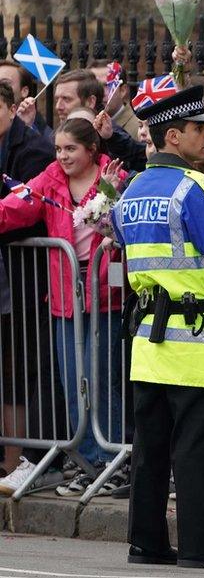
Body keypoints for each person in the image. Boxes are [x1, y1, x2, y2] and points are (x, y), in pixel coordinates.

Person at [113, 86, 204, 570]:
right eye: (200, 129)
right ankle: (200, 545)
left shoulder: (130, 191)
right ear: (175, 136)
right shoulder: (195, 189)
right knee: (195, 449)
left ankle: (146, 542)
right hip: (198, 338)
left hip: (148, 340)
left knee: (150, 448)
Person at [0, 117, 127, 496]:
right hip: (64, 297)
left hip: (106, 292)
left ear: (92, 150)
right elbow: (13, 208)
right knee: (75, 383)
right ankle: (87, 462)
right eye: (58, 149)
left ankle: (114, 462)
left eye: (71, 149)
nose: (63, 156)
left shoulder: (115, 175)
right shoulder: (49, 178)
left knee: (104, 380)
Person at [0, 80, 64, 496]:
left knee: (19, 370)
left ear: (9, 106)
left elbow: (29, 210)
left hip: (26, 278)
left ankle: (19, 460)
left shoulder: (33, 150)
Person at [90, 59, 140, 141]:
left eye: (106, 85)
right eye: (93, 86)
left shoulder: (138, 128)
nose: (99, 92)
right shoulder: (84, 123)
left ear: (123, 90)